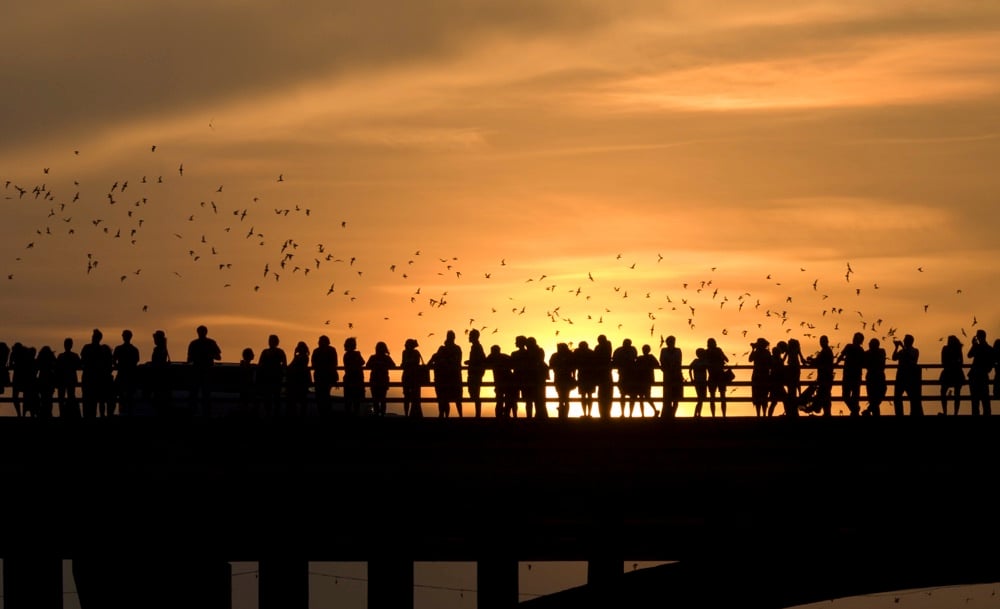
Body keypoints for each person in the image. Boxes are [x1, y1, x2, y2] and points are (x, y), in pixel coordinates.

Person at [186, 325, 221, 416]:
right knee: (206, 394)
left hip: (196, 372)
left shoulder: (193, 343)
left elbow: (189, 360)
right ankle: (206, 413)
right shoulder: (211, 343)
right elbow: (218, 357)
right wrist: (209, 355)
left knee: (194, 394)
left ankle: (193, 413)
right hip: (207, 372)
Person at [428, 330, 462, 417]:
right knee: (444, 399)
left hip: (451, 378)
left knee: (453, 399)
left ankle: (457, 416)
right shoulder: (444, 349)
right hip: (445, 378)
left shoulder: (455, 349)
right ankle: (446, 415)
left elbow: (456, 361)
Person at [80, 329, 113, 418]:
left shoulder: (87, 348)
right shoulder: (103, 350)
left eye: (94, 336)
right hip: (97, 378)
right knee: (97, 400)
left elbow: (82, 361)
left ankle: (89, 416)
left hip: (90, 378)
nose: (92, 338)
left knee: (89, 400)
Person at [891, 334, 922, 416]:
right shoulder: (901, 351)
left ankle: (913, 414)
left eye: (905, 340)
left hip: (910, 377)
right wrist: (896, 347)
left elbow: (912, 358)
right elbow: (894, 358)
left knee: (912, 398)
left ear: (909, 341)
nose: (904, 341)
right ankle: (899, 414)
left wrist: (902, 347)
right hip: (900, 377)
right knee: (897, 397)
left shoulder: (915, 350)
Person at [257, 335, 288, 417]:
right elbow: (260, 364)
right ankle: (270, 414)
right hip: (268, 378)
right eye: (270, 340)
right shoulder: (266, 352)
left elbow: (284, 364)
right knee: (269, 398)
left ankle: (273, 414)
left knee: (275, 397)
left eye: (272, 340)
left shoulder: (278, 352)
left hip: (275, 377)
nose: (270, 342)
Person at [112, 329, 140, 416]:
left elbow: (113, 360)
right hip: (130, 376)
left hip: (121, 375)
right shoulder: (134, 349)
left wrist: (118, 366)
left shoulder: (118, 349)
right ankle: (129, 414)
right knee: (129, 397)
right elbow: (136, 362)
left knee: (116, 395)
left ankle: (115, 413)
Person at [836, 332, 865, 416]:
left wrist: (836, 364)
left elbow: (841, 356)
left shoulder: (851, 347)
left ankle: (854, 411)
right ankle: (855, 410)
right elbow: (864, 362)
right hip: (855, 376)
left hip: (849, 376)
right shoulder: (860, 350)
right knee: (852, 397)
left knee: (847, 396)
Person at [311, 335, 340, 418]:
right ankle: (326, 413)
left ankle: (323, 414)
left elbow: (313, 364)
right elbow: (335, 363)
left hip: (321, 377)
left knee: (321, 396)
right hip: (327, 377)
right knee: (325, 396)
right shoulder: (331, 350)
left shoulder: (316, 351)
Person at [366, 341, 395, 417]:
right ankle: (382, 414)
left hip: (375, 380)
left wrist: (376, 364)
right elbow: (393, 366)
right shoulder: (386, 358)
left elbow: (367, 366)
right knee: (382, 399)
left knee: (376, 399)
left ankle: (377, 414)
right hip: (383, 380)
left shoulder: (373, 357)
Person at [967, 329, 993, 416]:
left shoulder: (977, 347)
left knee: (975, 403)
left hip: (974, 377)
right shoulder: (989, 349)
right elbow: (990, 366)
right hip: (983, 377)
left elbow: (969, 355)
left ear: (979, 337)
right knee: (985, 402)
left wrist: (973, 345)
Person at [55, 337, 82, 418]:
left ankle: (62, 414)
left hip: (62, 379)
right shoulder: (75, 356)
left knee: (62, 398)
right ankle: (70, 414)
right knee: (70, 397)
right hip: (71, 379)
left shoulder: (61, 356)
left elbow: (57, 368)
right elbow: (79, 365)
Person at [549, 342, 576, 419]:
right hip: (565, 378)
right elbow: (573, 367)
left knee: (561, 397)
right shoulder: (569, 355)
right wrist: (574, 376)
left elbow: (551, 365)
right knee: (565, 397)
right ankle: (564, 415)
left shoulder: (555, 355)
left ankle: (562, 415)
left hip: (560, 378)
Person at [939, 335, 965, 415]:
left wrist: (949, 365)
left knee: (943, 392)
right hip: (957, 373)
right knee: (957, 394)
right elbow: (961, 362)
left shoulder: (945, 348)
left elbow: (943, 362)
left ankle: (945, 412)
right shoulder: (958, 349)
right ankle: (955, 413)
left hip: (948, 373)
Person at [612, 338, 638, 417]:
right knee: (624, 395)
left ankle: (629, 414)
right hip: (624, 375)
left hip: (630, 375)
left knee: (631, 395)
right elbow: (615, 360)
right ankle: (624, 413)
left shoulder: (630, 350)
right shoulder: (620, 350)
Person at [485, 344, 513, 418]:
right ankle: (506, 414)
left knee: (500, 400)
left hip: (501, 382)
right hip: (508, 381)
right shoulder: (504, 356)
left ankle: (499, 416)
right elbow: (513, 362)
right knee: (506, 400)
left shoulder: (492, 357)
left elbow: (484, 362)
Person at [659, 336, 683, 419]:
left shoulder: (678, 350)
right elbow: (662, 361)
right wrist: (667, 368)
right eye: (670, 341)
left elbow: (679, 361)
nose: (671, 342)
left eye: (672, 341)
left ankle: (672, 414)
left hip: (676, 375)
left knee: (676, 397)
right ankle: (667, 414)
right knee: (667, 396)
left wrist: (673, 367)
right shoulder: (664, 350)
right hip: (667, 375)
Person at [704, 338, 729, 417]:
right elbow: (726, 359)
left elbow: (704, 363)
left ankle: (713, 415)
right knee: (722, 397)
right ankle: (724, 415)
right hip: (720, 375)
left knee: (712, 397)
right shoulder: (718, 350)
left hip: (712, 376)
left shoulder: (706, 352)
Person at [286, 341, 312, 417]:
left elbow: (291, 366)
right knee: (301, 399)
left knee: (299, 399)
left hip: (299, 380)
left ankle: (298, 415)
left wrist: (295, 354)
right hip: (302, 379)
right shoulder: (304, 357)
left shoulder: (302, 357)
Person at [862, 338, 887, 416]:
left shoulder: (878, 352)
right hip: (876, 377)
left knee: (874, 398)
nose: (869, 345)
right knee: (874, 399)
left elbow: (864, 363)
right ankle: (872, 413)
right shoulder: (880, 352)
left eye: (870, 343)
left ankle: (869, 410)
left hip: (874, 377)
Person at [149, 330, 172, 416]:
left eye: (155, 338)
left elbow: (157, 363)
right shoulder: (162, 349)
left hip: (159, 378)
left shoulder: (160, 349)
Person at [465, 329, 487, 418]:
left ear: (474, 337)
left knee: (475, 393)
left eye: (470, 335)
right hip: (475, 373)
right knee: (474, 393)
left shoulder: (477, 346)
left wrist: (470, 362)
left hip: (475, 373)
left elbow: (480, 359)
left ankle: (478, 414)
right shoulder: (476, 346)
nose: (469, 337)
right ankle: (477, 414)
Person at [633, 344, 660, 417]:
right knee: (644, 397)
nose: (644, 351)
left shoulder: (642, 358)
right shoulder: (646, 358)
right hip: (643, 379)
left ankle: (646, 413)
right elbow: (657, 365)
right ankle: (644, 414)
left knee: (645, 397)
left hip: (644, 379)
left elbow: (657, 365)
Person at [342, 337, 366, 416]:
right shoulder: (356, 354)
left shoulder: (346, 355)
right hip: (357, 379)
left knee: (348, 401)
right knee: (356, 402)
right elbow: (362, 362)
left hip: (348, 379)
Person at [400, 338, 423, 418]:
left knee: (410, 397)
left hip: (411, 377)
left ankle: (409, 414)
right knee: (410, 396)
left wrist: (407, 363)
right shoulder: (407, 352)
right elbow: (407, 362)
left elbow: (412, 362)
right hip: (412, 377)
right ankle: (409, 414)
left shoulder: (409, 353)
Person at [748, 338, 772, 417]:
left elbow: (750, 359)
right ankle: (764, 414)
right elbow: (770, 363)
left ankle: (758, 414)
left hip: (757, 376)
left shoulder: (756, 352)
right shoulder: (767, 352)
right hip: (765, 376)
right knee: (764, 395)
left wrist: (753, 350)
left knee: (757, 396)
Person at [574, 341, 598, 418]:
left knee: (584, 396)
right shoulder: (591, 353)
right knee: (589, 396)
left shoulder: (578, 353)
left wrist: (574, 376)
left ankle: (585, 413)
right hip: (590, 377)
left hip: (583, 376)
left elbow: (574, 364)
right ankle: (588, 413)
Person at [594, 335, 614, 419]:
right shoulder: (607, 345)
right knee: (607, 393)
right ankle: (605, 413)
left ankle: (604, 413)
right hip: (605, 373)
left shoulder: (600, 347)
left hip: (601, 373)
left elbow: (595, 357)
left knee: (603, 393)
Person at [35, 345, 57, 418]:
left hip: (42, 379)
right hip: (50, 380)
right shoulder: (51, 358)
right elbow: (56, 367)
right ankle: (49, 413)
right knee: (49, 398)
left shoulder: (40, 359)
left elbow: (36, 368)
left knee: (43, 398)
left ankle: (43, 413)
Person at [688, 348, 709, 417]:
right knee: (700, 398)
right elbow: (690, 369)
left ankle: (698, 413)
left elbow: (690, 369)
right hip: (699, 382)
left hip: (703, 382)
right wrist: (692, 379)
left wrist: (692, 379)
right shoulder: (697, 361)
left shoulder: (702, 361)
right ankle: (696, 414)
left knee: (701, 399)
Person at [238, 347, 258, 416]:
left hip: (242, 389)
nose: (254, 355)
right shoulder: (250, 367)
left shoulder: (241, 366)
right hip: (248, 389)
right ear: (250, 356)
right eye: (252, 354)